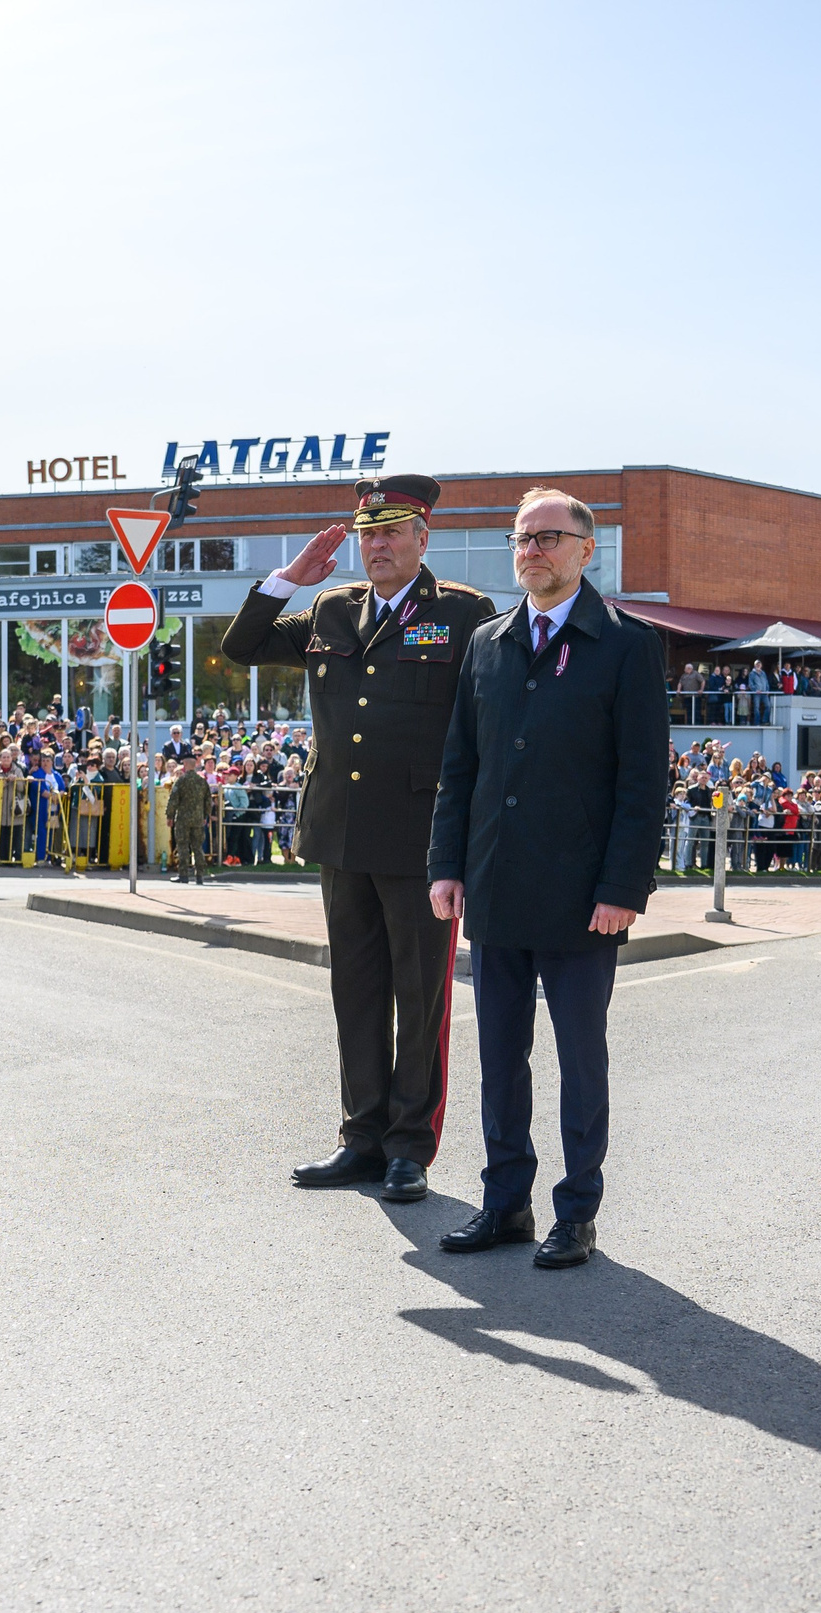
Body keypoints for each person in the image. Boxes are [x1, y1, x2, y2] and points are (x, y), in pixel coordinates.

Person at [220, 475, 496, 1204]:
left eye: (392, 531)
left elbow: (486, 726)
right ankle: (361, 1137)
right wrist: (287, 579)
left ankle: (409, 1147)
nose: (377, 544)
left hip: (420, 839)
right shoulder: (330, 608)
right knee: (357, 991)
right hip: (340, 832)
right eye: (368, 533)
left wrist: (469, 837)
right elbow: (241, 646)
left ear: (422, 539)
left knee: (421, 998)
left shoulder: (463, 613)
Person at [427, 488, 667, 1269]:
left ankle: (577, 1211)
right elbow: (460, 765)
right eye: (522, 538)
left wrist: (623, 887)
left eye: (548, 537)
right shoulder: (488, 642)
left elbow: (643, 781)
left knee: (579, 1059)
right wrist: (447, 864)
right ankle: (505, 1202)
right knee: (500, 1055)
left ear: (586, 550)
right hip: (496, 884)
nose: (531, 550)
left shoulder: (627, 645)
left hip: (581, 895)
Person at [167, 756, 211, 884]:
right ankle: (200, 876)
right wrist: (205, 816)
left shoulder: (181, 781)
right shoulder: (202, 781)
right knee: (197, 847)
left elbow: (173, 800)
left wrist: (170, 816)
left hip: (183, 819)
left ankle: (183, 875)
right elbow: (208, 801)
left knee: (183, 846)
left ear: (185, 764)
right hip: (198, 819)